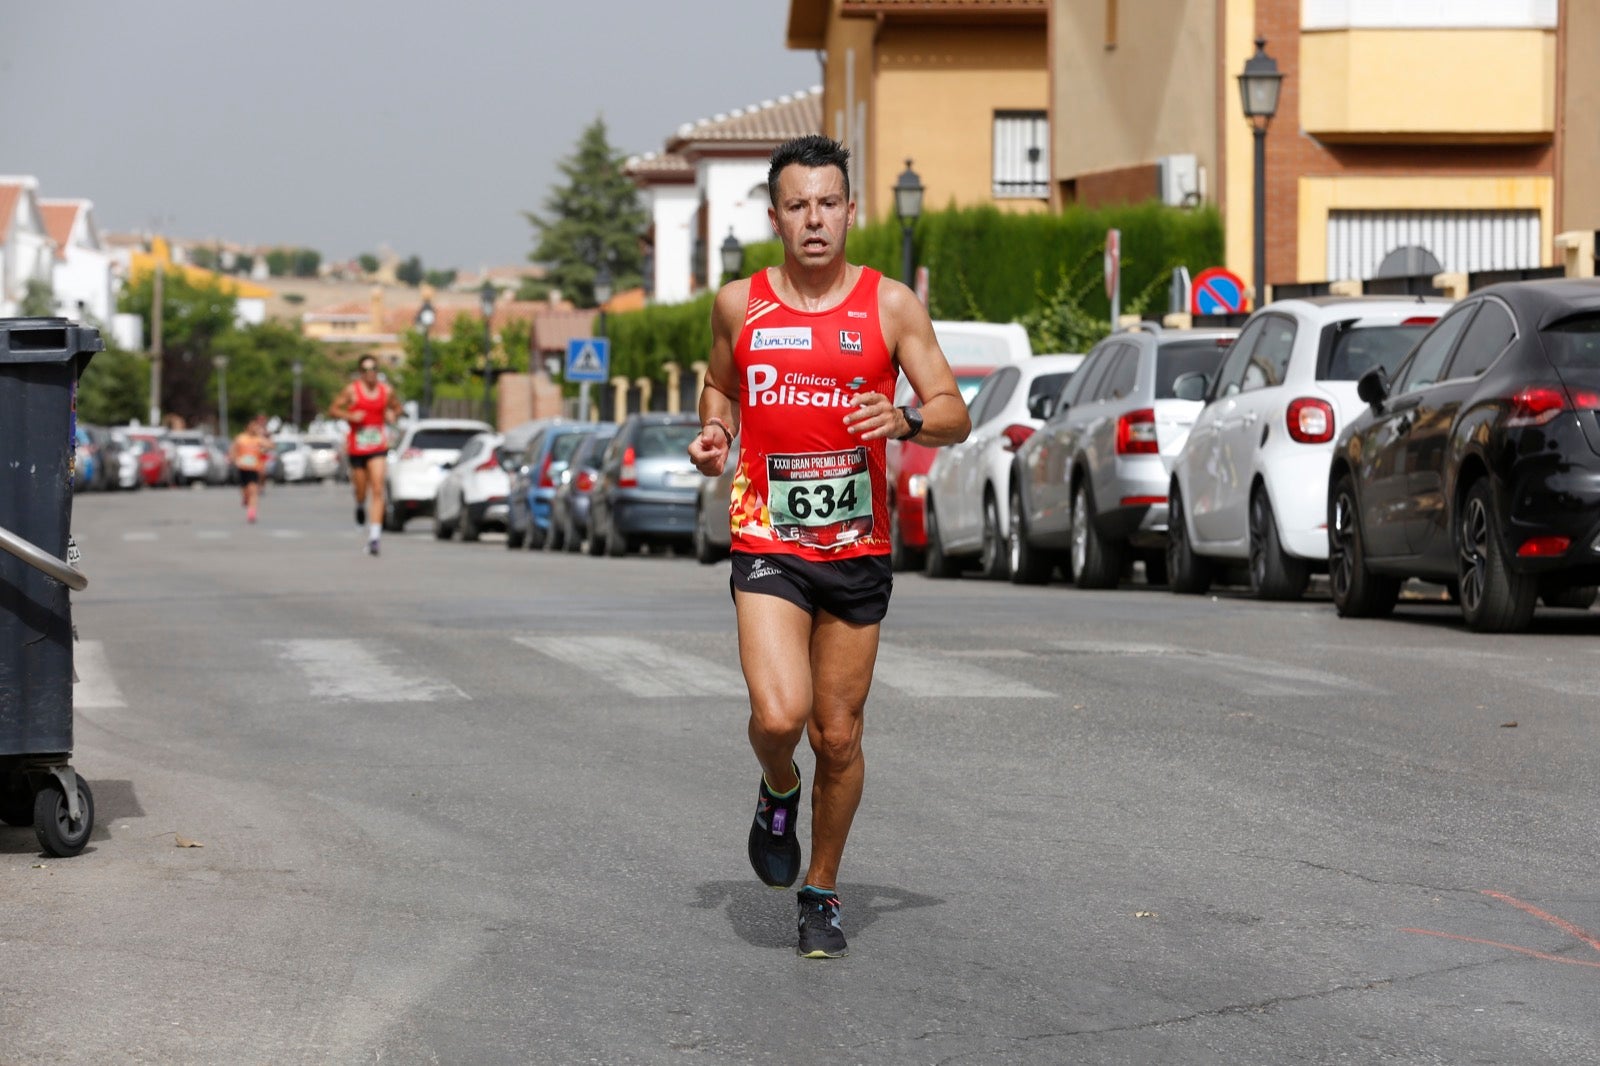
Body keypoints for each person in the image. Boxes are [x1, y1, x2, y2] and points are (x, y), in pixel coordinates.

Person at [687, 134, 969, 959]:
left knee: (838, 735)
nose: (815, 219)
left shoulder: (890, 307)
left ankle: (821, 889)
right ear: (775, 216)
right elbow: (719, 385)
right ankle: (777, 788)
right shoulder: (741, 304)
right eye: (798, 205)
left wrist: (908, 418)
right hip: (767, 536)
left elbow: (955, 410)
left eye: (829, 203)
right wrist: (714, 430)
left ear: (852, 210)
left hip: (856, 547)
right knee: (782, 716)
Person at [329, 355, 402, 555]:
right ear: (360, 372)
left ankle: (375, 537)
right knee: (361, 489)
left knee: (378, 488)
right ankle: (360, 505)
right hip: (357, 446)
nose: (370, 373)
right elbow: (333, 409)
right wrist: (350, 415)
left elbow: (397, 407)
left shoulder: (386, 390)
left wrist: (393, 414)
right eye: (366, 369)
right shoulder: (352, 390)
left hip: (377, 445)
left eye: (374, 369)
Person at [228, 414, 272, 523]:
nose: (254, 428)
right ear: (247, 427)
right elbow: (233, 450)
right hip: (243, 468)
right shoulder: (241, 438)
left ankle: (251, 513)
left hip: (253, 469)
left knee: (253, 491)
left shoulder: (258, 439)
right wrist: (235, 460)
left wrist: (262, 436)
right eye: (252, 426)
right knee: (245, 491)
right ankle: (245, 498)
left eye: (255, 426)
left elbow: (270, 446)